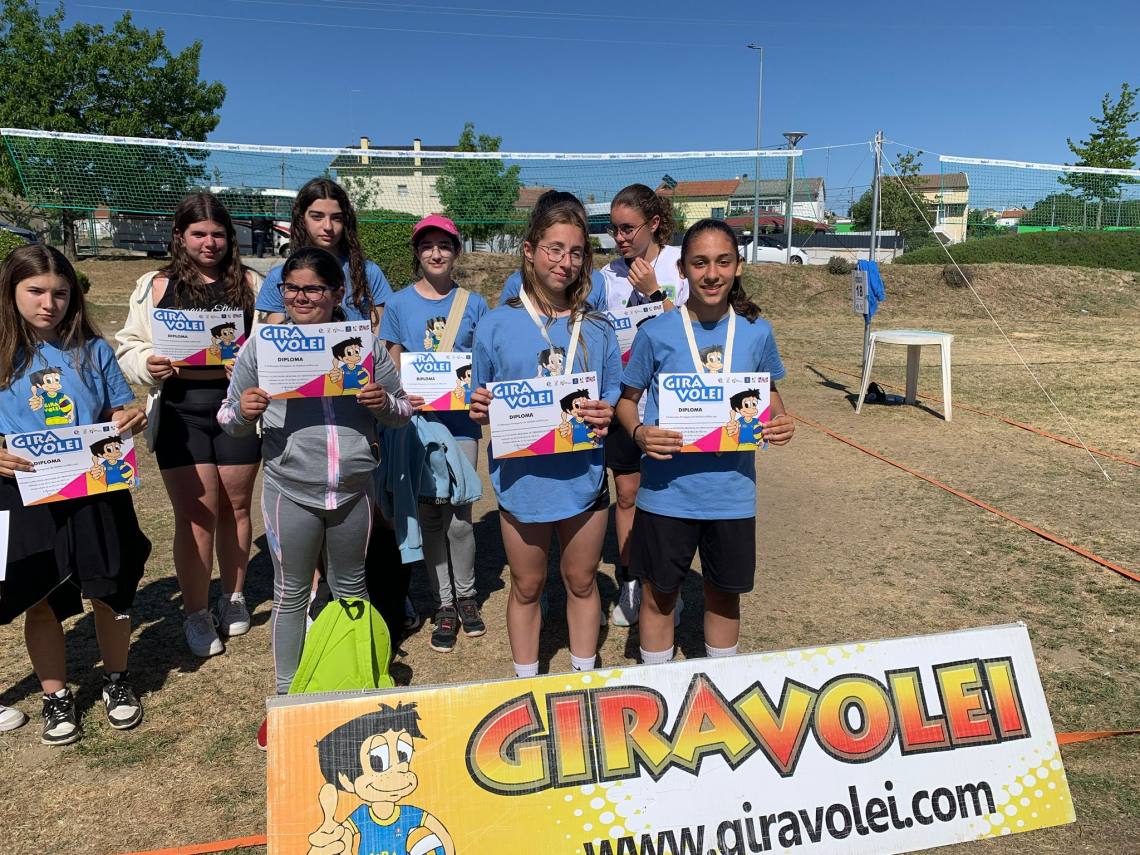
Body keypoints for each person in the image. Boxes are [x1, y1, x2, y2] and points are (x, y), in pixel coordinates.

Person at [218, 247, 412, 719]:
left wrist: (382, 404)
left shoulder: (363, 345)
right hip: (290, 489)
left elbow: (403, 410)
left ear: (337, 292)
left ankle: (359, 686)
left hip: (352, 491)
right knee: (290, 594)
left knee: (352, 592)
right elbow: (227, 417)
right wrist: (244, 412)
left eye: (313, 289)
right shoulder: (263, 346)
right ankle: (289, 702)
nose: (300, 298)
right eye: (291, 288)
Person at [615, 218, 795, 666]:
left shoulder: (757, 331)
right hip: (667, 495)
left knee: (724, 596)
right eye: (700, 263)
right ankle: (657, 684)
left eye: (723, 262)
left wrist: (780, 420)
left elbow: (769, 393)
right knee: (660, 597)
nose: (712, 274)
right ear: (682, 269)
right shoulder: (656, 331)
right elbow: (626, 401)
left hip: (731, 495)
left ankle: (721, 685)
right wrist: (638, 432)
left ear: (738, 266)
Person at [0, 245, 151, 745]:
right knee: (40, 597)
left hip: (94, 489)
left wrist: (128, 417)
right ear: (10, 291)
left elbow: (117, 409)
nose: (49, 304)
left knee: (111, 589)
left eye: (61, 293)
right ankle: (56, 696)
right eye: (36, 291)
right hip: (26, 491)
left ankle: (117, 679)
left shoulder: (93, 349)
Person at [470, 198, 620, 678]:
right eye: (555, 249)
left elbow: (612, 394)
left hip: (583, 479)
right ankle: (526, 680)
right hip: (522, 481)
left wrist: (608, 411)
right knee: (527, 586)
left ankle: (583, 676)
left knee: (582, 582)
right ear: (530, 250)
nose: (565, 262)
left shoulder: (598, 326)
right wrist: (479, 406)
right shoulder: (495, 324)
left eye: (576, 252)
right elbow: (481, 393)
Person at [116, 193, 262, 658]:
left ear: (229, 238)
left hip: (236, 411)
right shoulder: (155, 285)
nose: (209, 242)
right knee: (196, 514)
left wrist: (250, 365)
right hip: (180, 412)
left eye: (218, 234)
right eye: (199, 233)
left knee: (236, 508)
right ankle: (196, 612)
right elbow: (128, 345)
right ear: (180, 236)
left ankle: (233, 596)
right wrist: (147, 362)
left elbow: (269, 344)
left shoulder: (251, 282)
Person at [379, 215, 489, 654]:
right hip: (418, 423)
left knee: (460, 514)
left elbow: (484, 361)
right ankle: (443, 602)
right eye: (427, 246)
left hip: (460, 423)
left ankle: (467, 595)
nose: (436, 253)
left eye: (444, 245)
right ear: (417, 253)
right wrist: (399, 394)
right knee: (429, 512)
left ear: (456, 251)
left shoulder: (474, 304)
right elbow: (390, 361)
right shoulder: (398, 304)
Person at [599, 184, 689, 627]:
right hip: (626, 403)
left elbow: (692, 333)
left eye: (628, 228)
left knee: (669, 497)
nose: (619, 238)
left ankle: (668, 585)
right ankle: (631, 580)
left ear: (653, 224)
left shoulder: (681, 264)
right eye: (614, 229)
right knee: (628, 494)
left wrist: (655, 292)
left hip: (674, 404)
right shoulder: (606, 276)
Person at [255, 178, 392, 331]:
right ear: (302, 218)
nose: (328, 226)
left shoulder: (368, 272)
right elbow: (275, 336)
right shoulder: (278, 277)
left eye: (336, 218)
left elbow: (381, 334)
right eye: (317, 217)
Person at [497, 190, 608, 312]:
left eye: (580, 224)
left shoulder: (596, 282)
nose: (566, 263)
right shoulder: (517, 283)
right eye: (555, 249)